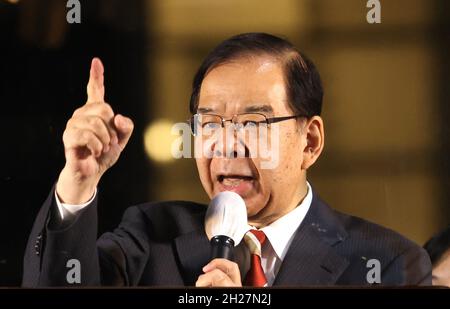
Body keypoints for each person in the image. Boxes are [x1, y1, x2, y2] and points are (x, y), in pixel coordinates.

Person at [22, 32, 431, 287]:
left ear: (310, 141)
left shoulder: (388, 262)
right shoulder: (150, 237)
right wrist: (77, 182)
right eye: (211, 123)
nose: (227, 145)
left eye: (254, 122)